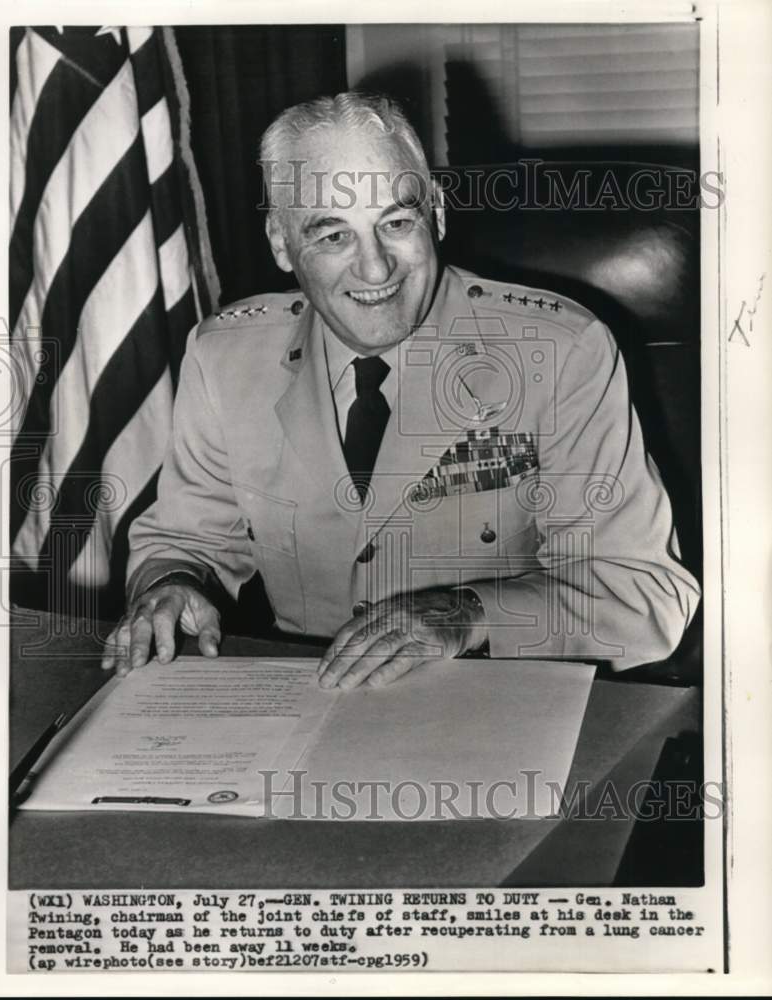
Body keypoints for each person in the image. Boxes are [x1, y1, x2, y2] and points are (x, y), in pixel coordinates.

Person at [102, 91, 700, 687]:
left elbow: (643, 591)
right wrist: (169, 584)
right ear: (281, 244)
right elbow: (186, 540)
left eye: (396, 222)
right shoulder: (224, 358)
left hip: (497, 702)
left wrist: (466, 615)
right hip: (305, 712)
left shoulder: (562, 352)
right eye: (332, 235)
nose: (376, 269)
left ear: (435, 213)